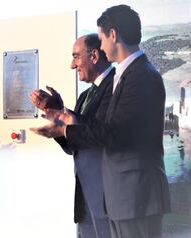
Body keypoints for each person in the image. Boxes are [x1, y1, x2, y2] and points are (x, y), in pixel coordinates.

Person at [32, 5, 170, 238]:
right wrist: (61, 119)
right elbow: (103, 130)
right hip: (120, 196)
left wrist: (65, 128)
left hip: (134, 195)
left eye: (103, 38)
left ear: (113, 35)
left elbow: (114, 133)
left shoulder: (140, 76)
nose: (103, 46)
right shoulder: (128, 75)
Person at [30, 34, 114, 238]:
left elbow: (104, 134)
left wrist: (66, 118)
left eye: (76, 57)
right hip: (85, 196)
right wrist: (58, 117)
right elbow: (73, 145)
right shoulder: (85, 96)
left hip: (108, 196)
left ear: (94, 55)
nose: (72, 64)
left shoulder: (116, 86)